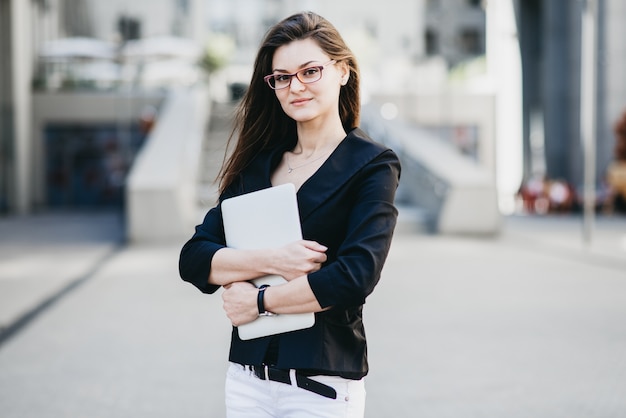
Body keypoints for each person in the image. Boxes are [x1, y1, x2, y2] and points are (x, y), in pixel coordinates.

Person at [179, 11, 401, 418]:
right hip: (246, 384)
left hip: (321, 389)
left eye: (309, 71)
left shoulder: (371, 165)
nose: (295, 86)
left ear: (343, 71)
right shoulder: (257, 166)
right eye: (282, 77)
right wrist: (272, 261)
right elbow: (194, 258)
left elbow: (355, 277)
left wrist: (261, 302)